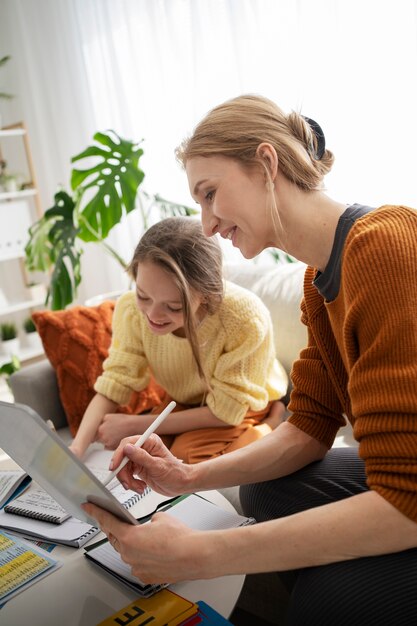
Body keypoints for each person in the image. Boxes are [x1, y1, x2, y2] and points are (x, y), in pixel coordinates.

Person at [83, 95, 417, 625]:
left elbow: (406, 502)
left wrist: (202, 554)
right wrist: (185, 478)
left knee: (328, 597)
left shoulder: (385, 245)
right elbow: (307, 428)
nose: (207, 224)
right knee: (265, 490)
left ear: (266, 164)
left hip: (409, 499)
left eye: (210, 194)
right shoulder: (318, 282)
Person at [70, 216, 288, 462]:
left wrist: (134, 424)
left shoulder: (244, 317)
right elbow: (116, 382)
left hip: (243, 405)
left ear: (205, 294)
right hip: (184, 402)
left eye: (173, 307)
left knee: (185, 457)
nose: (152, 315)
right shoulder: (130, 310)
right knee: (142, 455)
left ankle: (271, 423)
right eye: (143, 296)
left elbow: (227, 412)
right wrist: (76, 449)